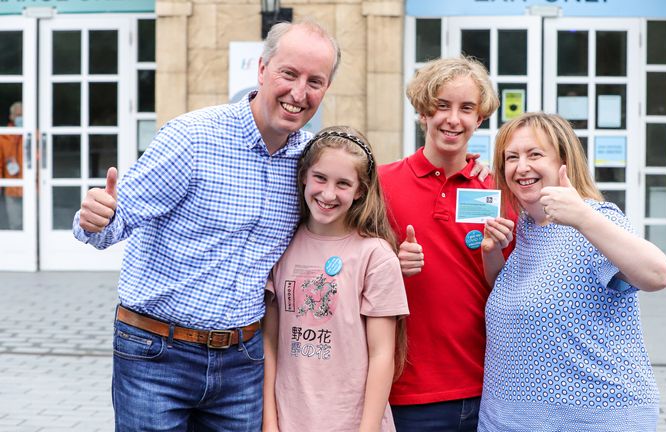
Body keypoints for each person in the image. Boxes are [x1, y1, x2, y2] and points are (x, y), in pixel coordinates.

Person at [71, 20, 339, 431]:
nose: (299, 93)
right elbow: (114, 221)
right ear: (263, 69)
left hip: (243, 361)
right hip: (156, 353)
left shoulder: (310, 163)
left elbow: (348, 223)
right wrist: (96, 217)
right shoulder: (192, 139)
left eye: (315, 81)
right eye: (289, 74)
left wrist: (398, 255)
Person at [479, 112, 666, 431]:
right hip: (510, 419)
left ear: (563, 162)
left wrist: (582, 217)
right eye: (511, 157)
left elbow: (657, 275)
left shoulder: (595, 219)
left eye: (535, 154)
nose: (521, 166)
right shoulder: (526, 228)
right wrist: (493, 254)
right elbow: (518, 304)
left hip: (591, 418)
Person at [378, 57, 514, 431]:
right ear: (423, 112)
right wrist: (390, 261)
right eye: (442, 105)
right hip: (405, 389)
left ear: (480, 118)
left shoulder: (497, 189)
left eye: (466, 108)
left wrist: (496, 254)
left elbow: (511, 287)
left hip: (487, 386)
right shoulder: (380, 183)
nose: (453, 119)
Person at [262, 126, 409, 432]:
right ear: (304, 176)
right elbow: (270, 343)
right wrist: (270, 422)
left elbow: (382, 354)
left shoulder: (376, 256)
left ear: (359, 190)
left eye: (343, 183)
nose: (328, 194)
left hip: (353, 422)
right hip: (289, 418)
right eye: (320, 178)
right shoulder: (281, 245)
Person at [0, 101, 24, 230]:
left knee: (35, 225)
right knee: (16, 225)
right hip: (12, 188)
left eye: (22, 115)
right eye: (18, 115)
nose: (21, 118)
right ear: (11, 117)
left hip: (32, 188)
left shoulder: (34, 134)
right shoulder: (3, 136)